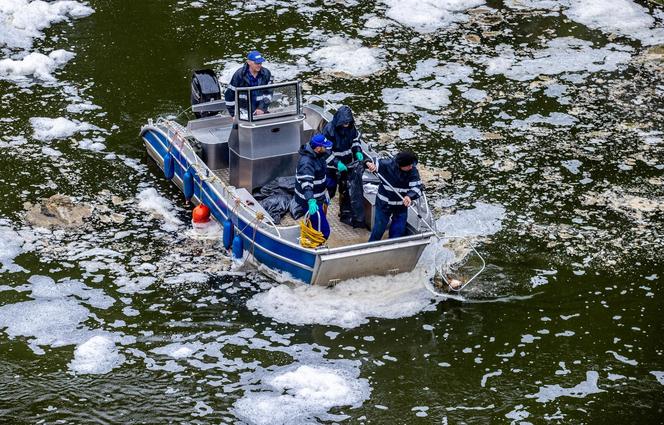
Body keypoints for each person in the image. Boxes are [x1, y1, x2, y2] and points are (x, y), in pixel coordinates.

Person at [365, 151, 423, 242]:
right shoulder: (386, 165)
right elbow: (368, 160)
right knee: (378, 229)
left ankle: (392, 248)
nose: (411, 167)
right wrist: (368, 163)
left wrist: (409, 196)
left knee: (398, 232)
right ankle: (370, 248)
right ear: (401, 165)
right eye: (408, 165)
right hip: (384, 205)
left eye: (411, 165)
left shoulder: (413, 172)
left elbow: (417, 187)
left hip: (401, 207)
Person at [322, 106, 365, 225]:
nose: (346, 124)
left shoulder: (351, 128)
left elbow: (355, 140)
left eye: (348, 122)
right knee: (329, 191)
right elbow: (326, 151)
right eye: (344, 122)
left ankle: (344, 213)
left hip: (347, 164)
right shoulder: (329, 130)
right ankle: (322, 215)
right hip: (331, 167)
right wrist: (336, 163)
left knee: (344, 189)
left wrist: (358, 151)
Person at [293, 134, 332, 240]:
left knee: (315, 224)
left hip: (319, 196)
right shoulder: (306, 163)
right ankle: (317, 248)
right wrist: (311, 200)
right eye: (325, 146)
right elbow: (306, 184)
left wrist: (325, 194)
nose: (327, 148)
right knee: (323, 231)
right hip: (310, 199)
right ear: (318, 148)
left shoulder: (318, 155)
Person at [224, 50, 272, 117]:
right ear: (249, 62)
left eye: (260, 63)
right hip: (243, 111)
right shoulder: (239, 75)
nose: (259, 65)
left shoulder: (266, 73)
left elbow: (268, 93)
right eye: (256, 63)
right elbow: (229, 95)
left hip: (260, 110)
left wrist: (261, 108)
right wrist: (233, 115)